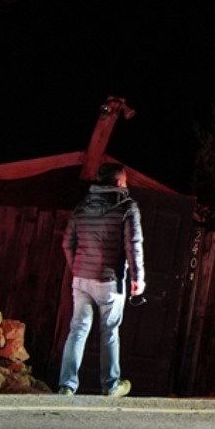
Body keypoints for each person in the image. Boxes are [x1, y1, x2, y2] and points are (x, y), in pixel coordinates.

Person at [56, 162, 144, 398]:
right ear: (118, 183)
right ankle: (111, 386)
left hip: (81, 279)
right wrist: (138, 278)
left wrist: (77, 267)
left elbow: (67, 242)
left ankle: (66, 385)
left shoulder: (82, 206)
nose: (127, 185)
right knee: (110, 332)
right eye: (125, 181)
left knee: (77, 330)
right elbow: (133, 245)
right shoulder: (127, 207)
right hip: (109, 282)